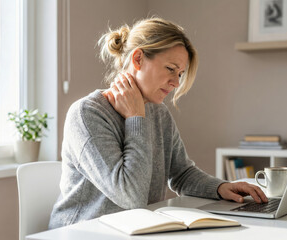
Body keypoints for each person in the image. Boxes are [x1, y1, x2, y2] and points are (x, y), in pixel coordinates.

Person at [48, 17, 267, 229]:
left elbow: (181, 173)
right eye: (171, 69)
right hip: (82, 232)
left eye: (180, 73)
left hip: (136, 230)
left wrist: (220, 187)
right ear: (138, 59)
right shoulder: (86, 114)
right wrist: (135, 118)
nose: (175, 82)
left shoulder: (158, 113)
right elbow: (131, 197)